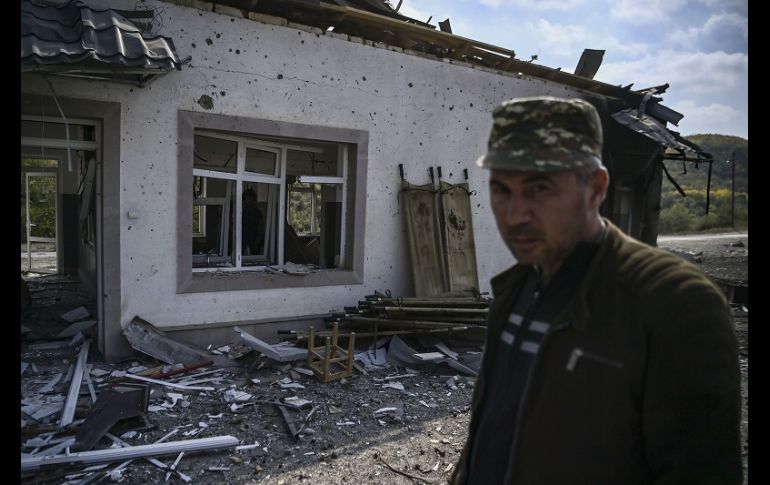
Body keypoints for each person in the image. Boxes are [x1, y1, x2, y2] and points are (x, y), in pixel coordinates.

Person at [451, 96, 742, 484]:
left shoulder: (675, 302)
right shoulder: (518, 286)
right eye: (502, 189)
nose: (514, 214)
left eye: (539, 187)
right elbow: (494, 426)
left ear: (596, 187)